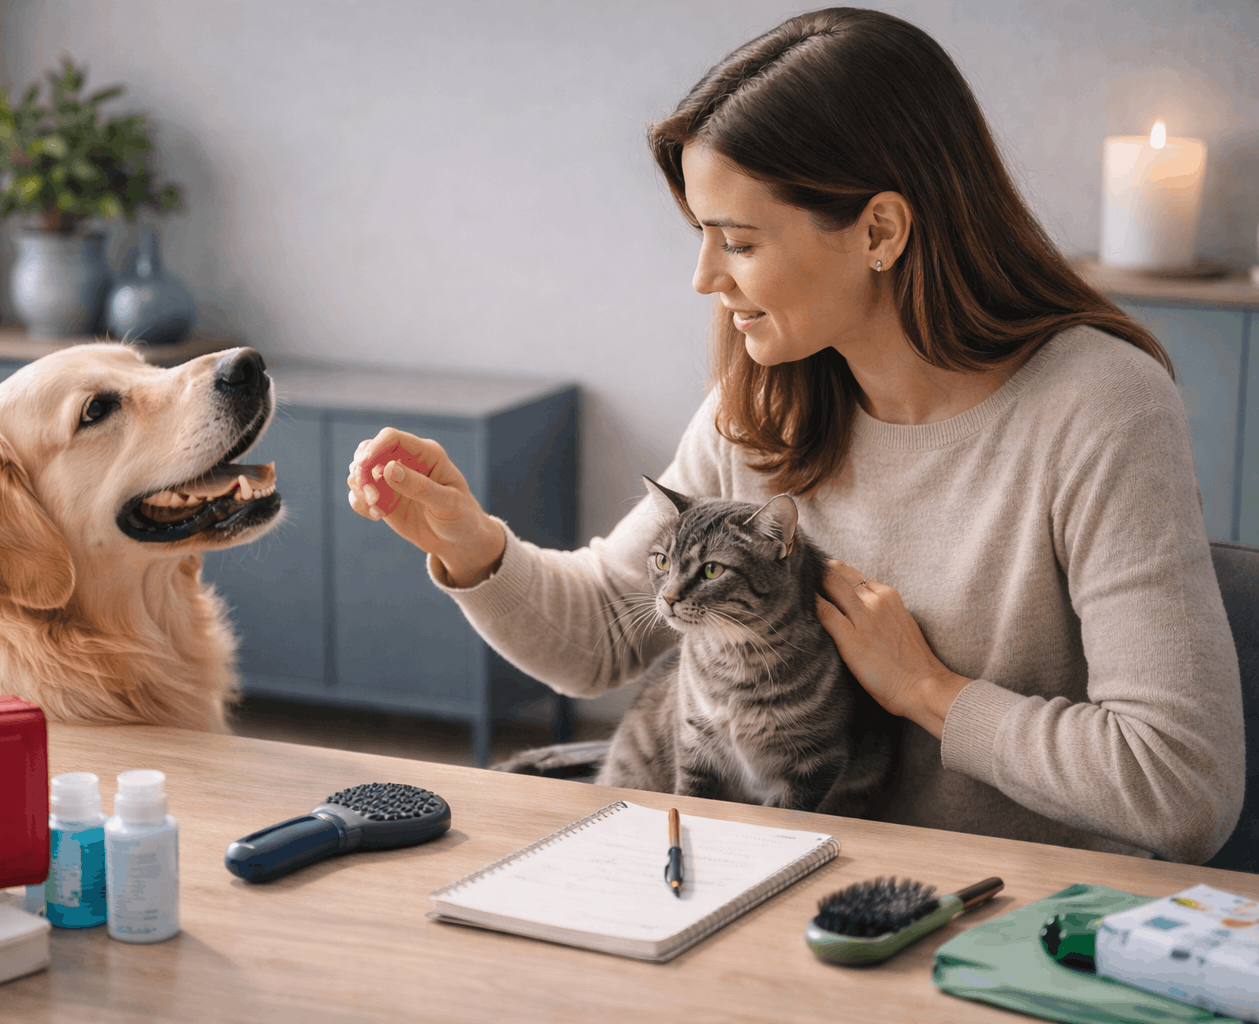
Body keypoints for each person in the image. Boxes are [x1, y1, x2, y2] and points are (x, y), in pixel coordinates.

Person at [343, 7, 1243, 863]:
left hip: (1011, 922)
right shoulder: (768, 404)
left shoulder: (1098, 406)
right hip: (794, 893)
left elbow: (1181, 785)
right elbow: (603, 636)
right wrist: (470, 544)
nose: (703, 278)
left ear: (879, 230)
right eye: (701, 235)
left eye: (737, 241)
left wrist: (930, 693)